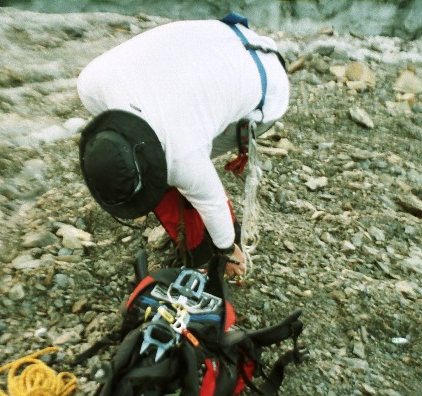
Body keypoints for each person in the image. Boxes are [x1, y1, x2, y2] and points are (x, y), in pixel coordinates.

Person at [77, 13, 289, 278]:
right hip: (226, 37)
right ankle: (193, 227)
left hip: (268, 86)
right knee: (185, 164)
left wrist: (227, 251)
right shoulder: (91, 83)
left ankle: (200, 250)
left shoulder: (181, 156)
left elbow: (212, 202)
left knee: (186, 177)